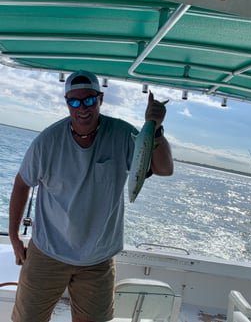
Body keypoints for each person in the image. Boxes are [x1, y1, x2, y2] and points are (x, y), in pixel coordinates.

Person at [9, 70, 173, 322]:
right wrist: (14, 236)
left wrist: (156, 128)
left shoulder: (122, 134)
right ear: (66, 103)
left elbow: (164, 169)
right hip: (47, 252)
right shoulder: (47, 142)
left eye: (88, 100)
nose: (81, 107)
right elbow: (22, 185)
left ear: (101, 99)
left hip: (98, 259)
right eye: (73, 101)